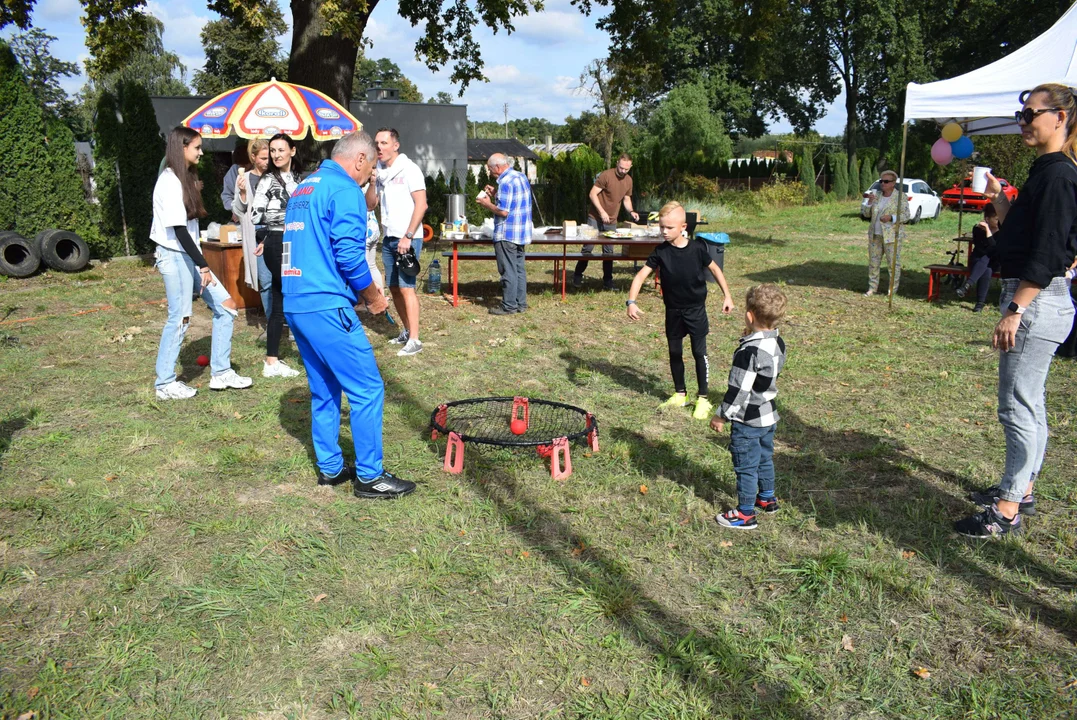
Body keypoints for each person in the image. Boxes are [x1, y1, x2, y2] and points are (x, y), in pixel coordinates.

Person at [955, 84, 1077, 538]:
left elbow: (1047, 253)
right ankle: (1021, 489)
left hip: (1036, 300)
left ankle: (1006, 509)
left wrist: (1015, 308)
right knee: (1030, 403)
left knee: (1016, 408)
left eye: (1031, 114)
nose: (1023, 121)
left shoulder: (1059, 175)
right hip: (1038, 298)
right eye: (1020, 114)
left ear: (1060, 118)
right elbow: (1030, 237)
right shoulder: (1047, 171)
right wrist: (1003, 203)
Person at [281, 131, 415, 499]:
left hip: (295, 301)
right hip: (325, 304)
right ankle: (371, 477)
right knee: (368, 388)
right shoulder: (344, 190)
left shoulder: (306, 187)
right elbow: (350, 256)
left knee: (324, 389)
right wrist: (373, 297)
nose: (368, 174)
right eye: (370, 166)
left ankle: (331, 468)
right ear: (359, 159)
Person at [150, 127, 253, 399]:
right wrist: (203, 265)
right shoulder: (169, 181)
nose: (201, 152)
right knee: (181, 317)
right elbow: (179, 231)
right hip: (174, 255)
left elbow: (189, 230)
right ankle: (165, 384)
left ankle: (221, 373)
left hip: (189, 254)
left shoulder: (186, 179)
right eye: (197, 147)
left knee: (227, 306)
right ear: (182, 147)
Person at [625, 201, 734, 420]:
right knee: (675, 352)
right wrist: (631, 301)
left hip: (695, 311)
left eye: (669, 228)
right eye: (661, 227)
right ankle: (680, 394)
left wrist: (727, 295)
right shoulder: (660, 252)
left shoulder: (697, 249)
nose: (664, 232)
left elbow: (715, 269)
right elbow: (640, 276)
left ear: (683, 226)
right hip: (673, 311)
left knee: (698, 353)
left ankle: (703, 398)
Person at [710, 284, 788, 530]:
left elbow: (738, 391)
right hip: (768, 414)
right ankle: (766, 498)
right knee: (765, 458)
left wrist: (721, 416)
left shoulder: (749, 351)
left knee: (746, 465)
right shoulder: (778, 343)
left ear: (749, 315)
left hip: (748, 420)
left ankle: (745, 514)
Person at [366, 127, 428, 357]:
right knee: (394, 287)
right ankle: (406, 330)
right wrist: (372, 183)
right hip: (390, 237)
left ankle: (415, 340)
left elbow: (421, 205)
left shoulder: (410, 170)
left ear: (395, 145)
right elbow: (370, 205)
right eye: (377, 143)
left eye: (383, 143)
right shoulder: (379, 172)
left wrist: (408, 236)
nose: (379, 148)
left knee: (407, 288)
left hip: (408, 239)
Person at [252, 133, 303, 379]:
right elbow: (255, 215)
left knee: (281, 299)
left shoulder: (300, 179)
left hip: (298, 241)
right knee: (288, 295)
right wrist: (287, 215)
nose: (276, 154)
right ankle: (277, 359)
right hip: (276, 241)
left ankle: (272, 360)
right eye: (273, 150)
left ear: (292, 151)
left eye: (281, 150)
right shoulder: (267, 180)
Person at [476, 153, 533, 315]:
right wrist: (496, 193)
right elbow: (515, 201)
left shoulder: (506, 182)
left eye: (490, 169)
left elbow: (503, 211)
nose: (489, 173)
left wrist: (487, 204)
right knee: (519, 269)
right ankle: (520, 303)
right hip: (520, 232)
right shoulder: (519, 177)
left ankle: (508, 306)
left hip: (507, 233)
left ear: (498, 167)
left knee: (508, 270)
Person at [574, 154, 640, 290]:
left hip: (611, 220)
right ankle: (577, 275)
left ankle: (608, 281)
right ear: (617, 163)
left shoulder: (629, 181)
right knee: (588, 247)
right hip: (595, 218)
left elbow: (626, 199)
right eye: (621, 168)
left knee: (608, 251)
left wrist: (632, 211)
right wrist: (602, 211)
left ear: (630, 167)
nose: (623, 171)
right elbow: (592, 194)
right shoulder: (606, 175)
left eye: (626, 169)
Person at [232, 139, 273, 317]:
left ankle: (288, 323)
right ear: (253, 157)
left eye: (269, 157)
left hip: (276, 231)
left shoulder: (276, 176)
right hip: (256, 235)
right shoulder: (244, 179)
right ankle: (273, 324)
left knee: (284, 280)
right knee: (266, 281)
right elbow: (238, 211)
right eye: (263, 158)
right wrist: (242, 193)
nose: (267, 161)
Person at [864, 169, 909, 296]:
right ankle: (872, 288)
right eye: (881, 181)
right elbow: (866, 214)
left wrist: (892, 218)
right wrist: (869, 203)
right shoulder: (876, 195)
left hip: (892, 236)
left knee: (892, 263)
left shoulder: (900, 197)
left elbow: (906, 215)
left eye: (886, 181)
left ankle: (892, 290)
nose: (883, 184)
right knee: (874, 262)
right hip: (875, 235)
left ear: (893, 183)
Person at [955, 202, 1001, 312]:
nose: (998, 221)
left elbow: (995, 250)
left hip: (995, 261)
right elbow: (979, 247)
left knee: (987, 260)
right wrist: (985, 232)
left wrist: (989, 232)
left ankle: (967, 285)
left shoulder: (1002, 230)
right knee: (986, 268)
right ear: (987, 218)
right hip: (978, 260)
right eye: (995, 219)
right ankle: (979, 304)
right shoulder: (977, 229)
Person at [220, 145, 246, 222]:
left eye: (245, 164)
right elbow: (226, 195)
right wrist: (234, 209)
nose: (243, 167)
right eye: (240, 165)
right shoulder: (234, 171)